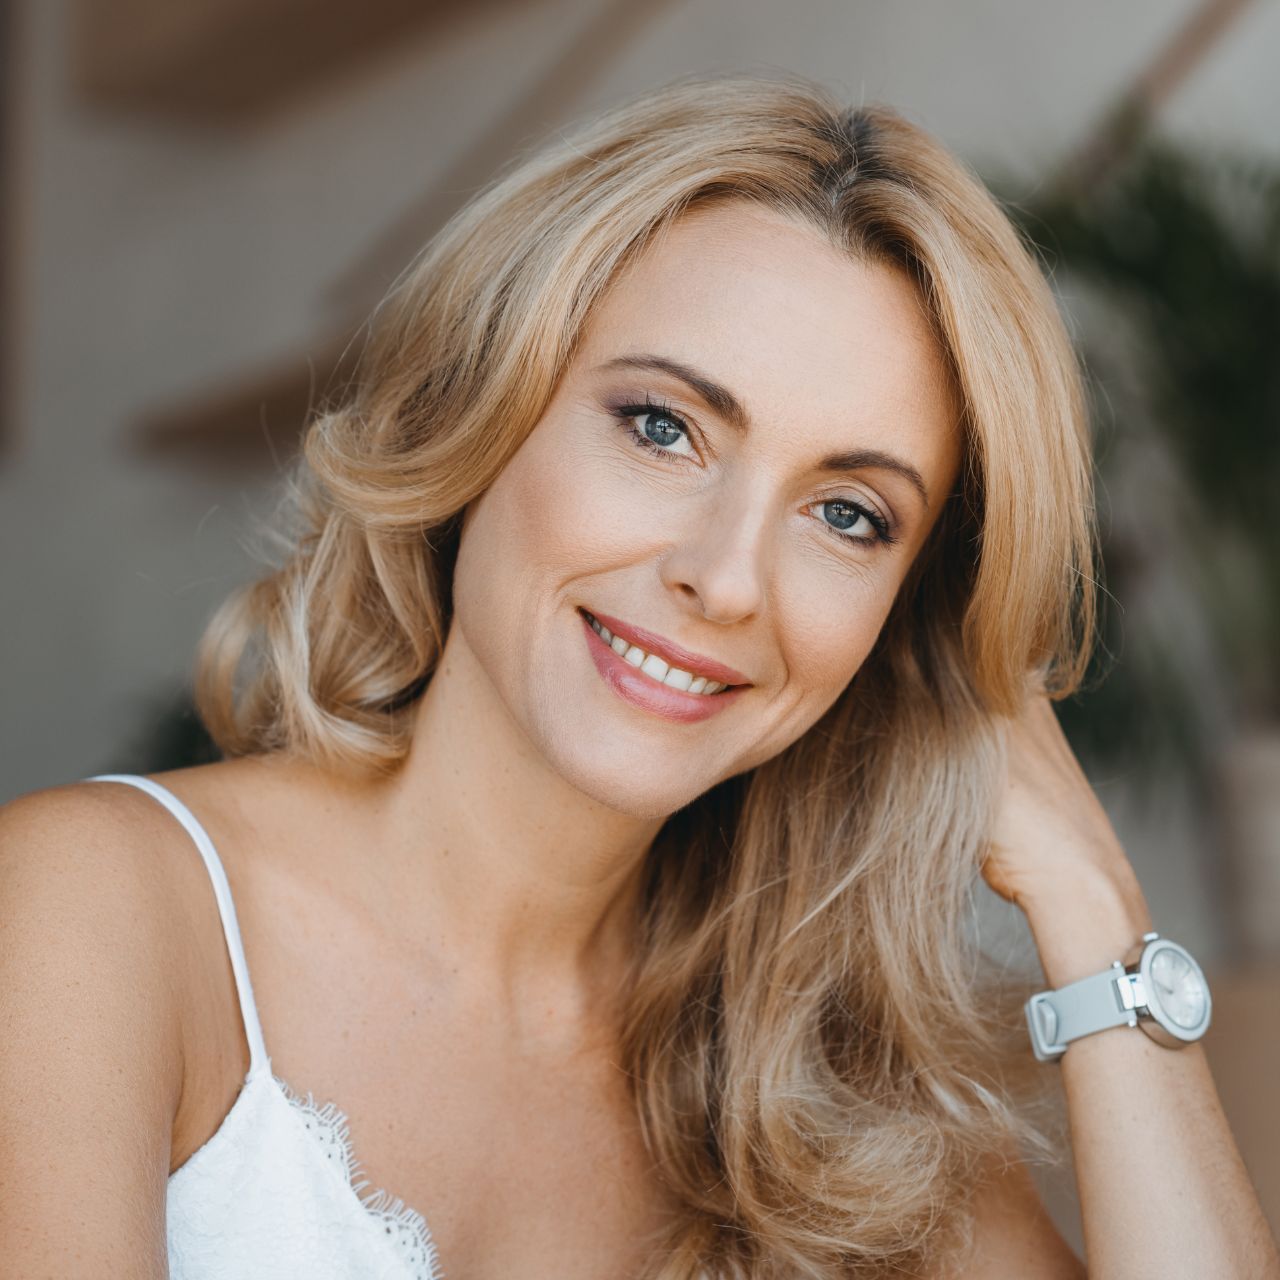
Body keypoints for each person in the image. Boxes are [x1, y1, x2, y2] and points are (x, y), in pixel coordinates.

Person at [1, 71, 1275, 1280]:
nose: (724, 579)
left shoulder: (836, 1094)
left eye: (845, 514)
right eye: (662, 428)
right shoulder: (97, 906)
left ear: (899, 621)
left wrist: (1088, 894)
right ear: (480, 403)